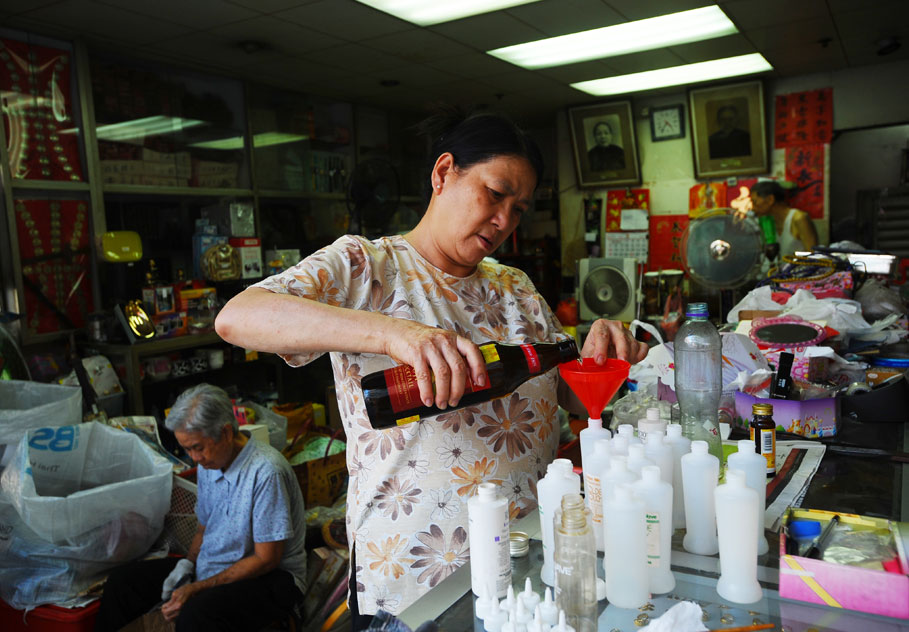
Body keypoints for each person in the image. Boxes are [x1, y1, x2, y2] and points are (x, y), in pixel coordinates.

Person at [215, 107, 648, 626]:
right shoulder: (367, 268)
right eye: (494, 194)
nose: (505, 220)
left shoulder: (516, 288)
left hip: (525, 569)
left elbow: (573, 397)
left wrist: (606, 361)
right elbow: (238, 318)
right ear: (444, 173)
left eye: (519, 208)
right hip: (414, 586)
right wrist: (393, 331)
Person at [94, 384, 307, 632]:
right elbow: (202, 530)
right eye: (187, 449)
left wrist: (197, 588)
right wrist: (187, 565)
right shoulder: (211, 462)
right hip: (218, 566)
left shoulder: (266, 471)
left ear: (226, 433)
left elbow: (266, 559)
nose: (194, 457)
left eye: (198, 447)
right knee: (122, 584)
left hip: (271, 577)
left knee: (196, 615)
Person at [748, 180, 819, 256]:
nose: (753, 208)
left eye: (755, 202)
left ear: (770, 200)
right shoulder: (770, 221)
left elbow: (813, 255)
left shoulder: (798, 218)